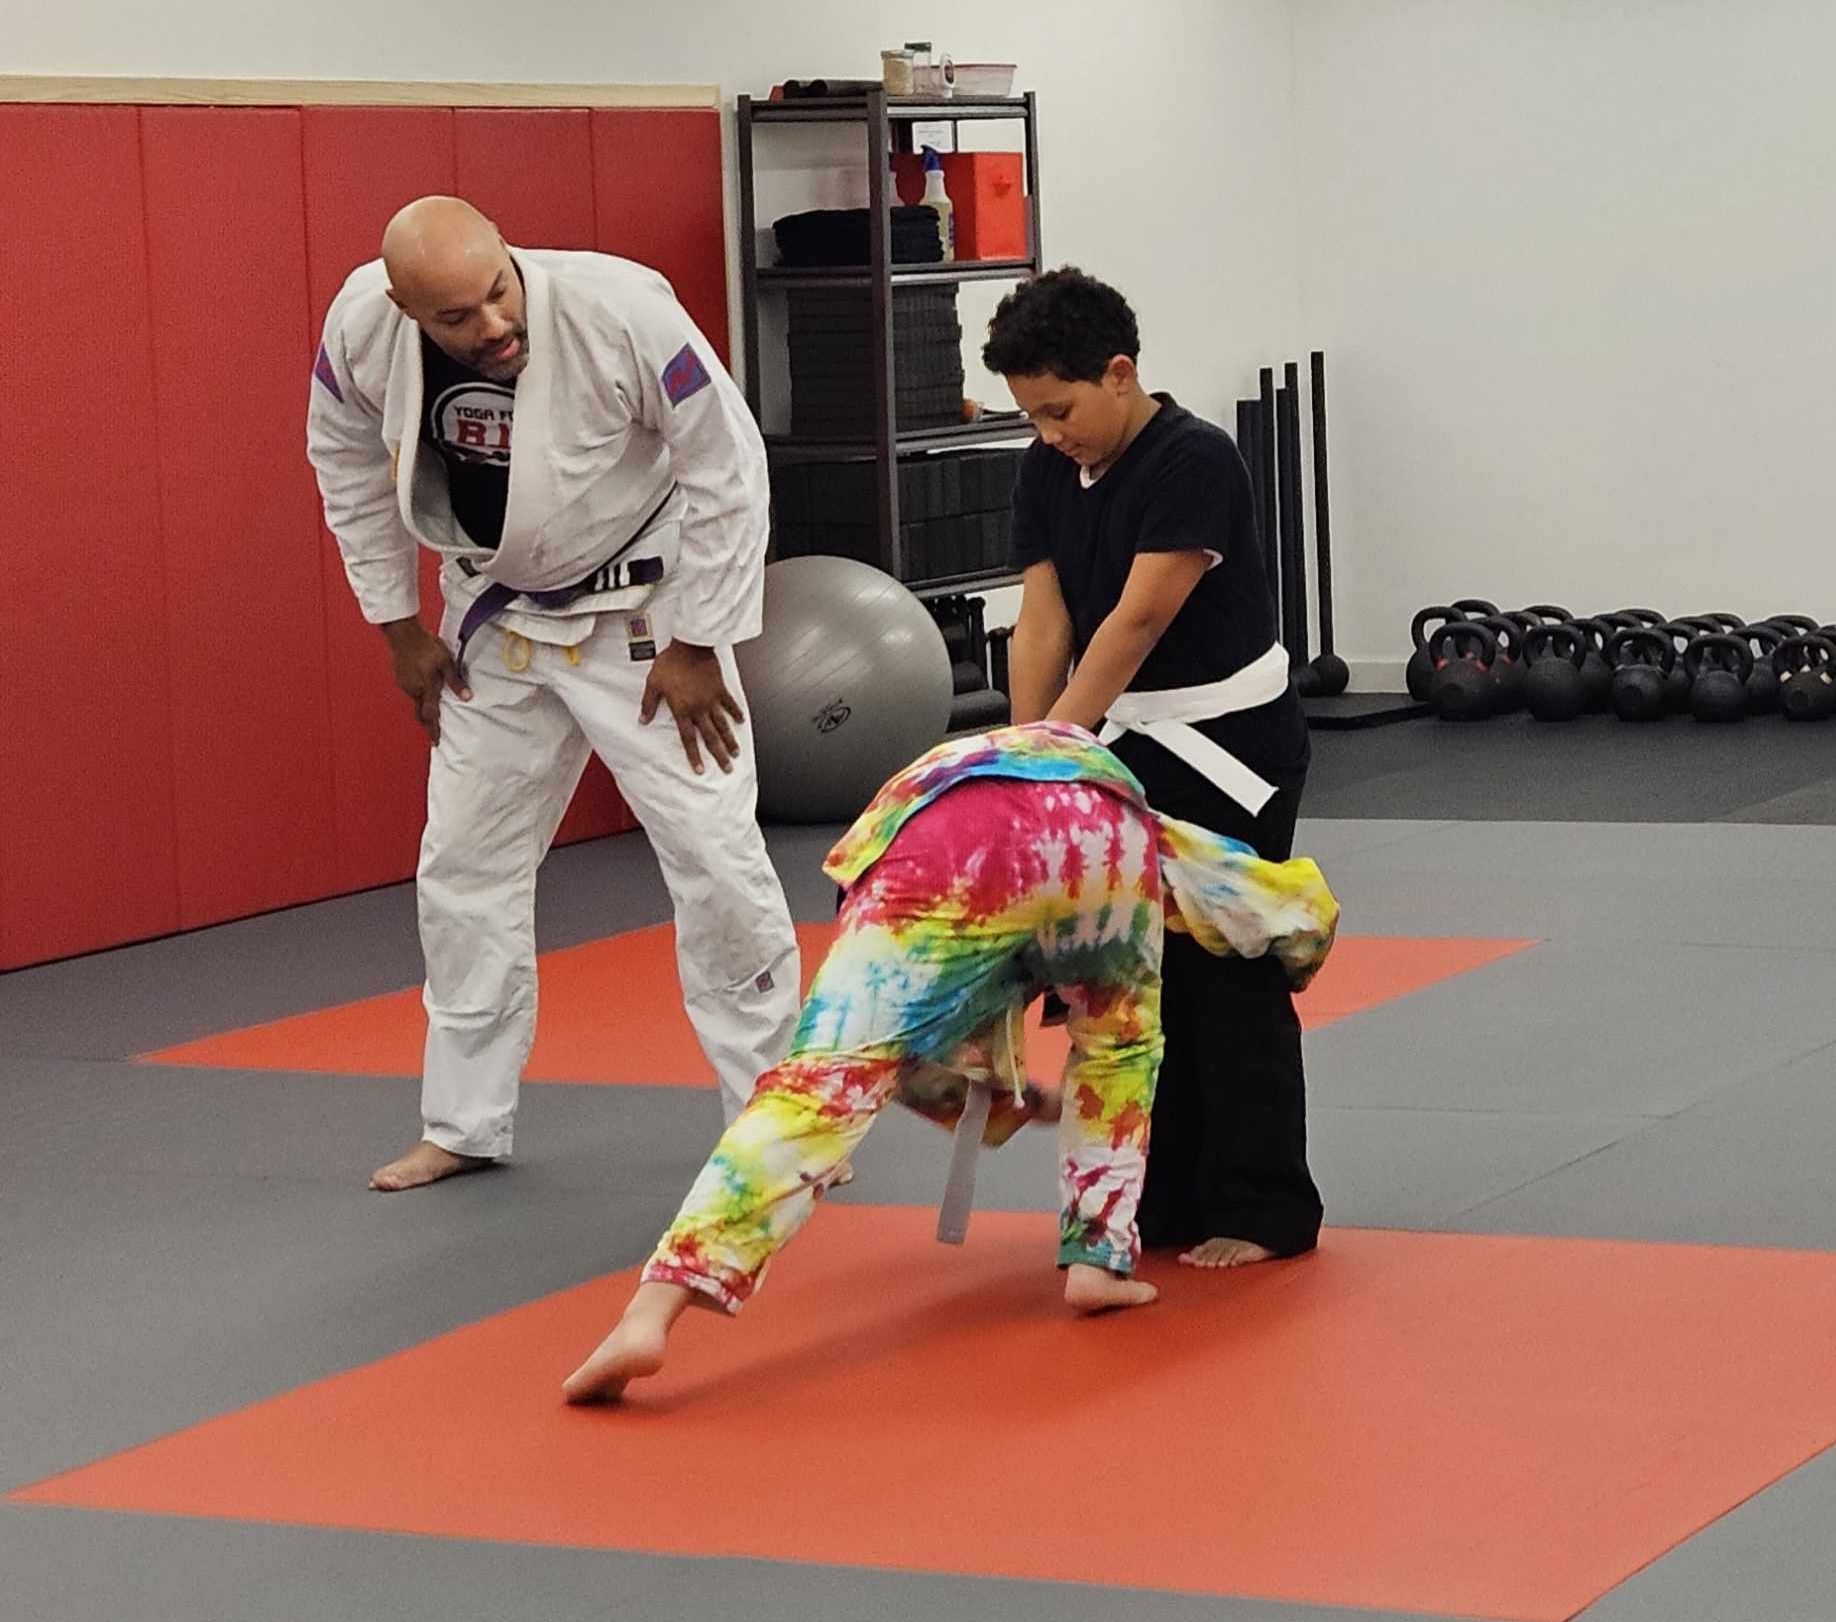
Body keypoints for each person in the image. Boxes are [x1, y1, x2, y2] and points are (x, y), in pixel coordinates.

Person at [562, 721, 1338, 1404]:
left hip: (938, 837)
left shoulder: (1104, 797)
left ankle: (651, 1313)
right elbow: (1133, 1033)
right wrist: (1006, 1101)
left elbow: (894, 1053)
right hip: (1091, 838)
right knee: (1121, 1050)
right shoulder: (1161, 847)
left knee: (823, 1083)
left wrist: (991, 1100)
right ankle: (1097, 1261)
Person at [307, 196, 800, 1192]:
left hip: (646, 623)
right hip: (497, 618)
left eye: (496, 291)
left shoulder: (620, 307)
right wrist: (397, 626)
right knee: (463, 861)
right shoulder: (361, 323)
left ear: (506, 253)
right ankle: (462, 1118)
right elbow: (347, 463)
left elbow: (727, 466)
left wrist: (700, 639)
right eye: (456, 317)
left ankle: (776, 1133)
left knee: (712, 854)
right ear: (406, 306)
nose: (491, 324)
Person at [983, 267, 1321, 1270]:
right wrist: (1019, 755)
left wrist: (1060, 745)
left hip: (1224, 752)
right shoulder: (1045, 468)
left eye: (1061, 407)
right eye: (1032, 414)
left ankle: (1261, 1205)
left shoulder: (1193, 456)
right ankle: (1160, 1197)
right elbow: (1043, 619)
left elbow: (1135, 617)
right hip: (1109, 742)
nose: (1050, 431)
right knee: (1119, 981)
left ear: (1119, 373)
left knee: (1224, 972)